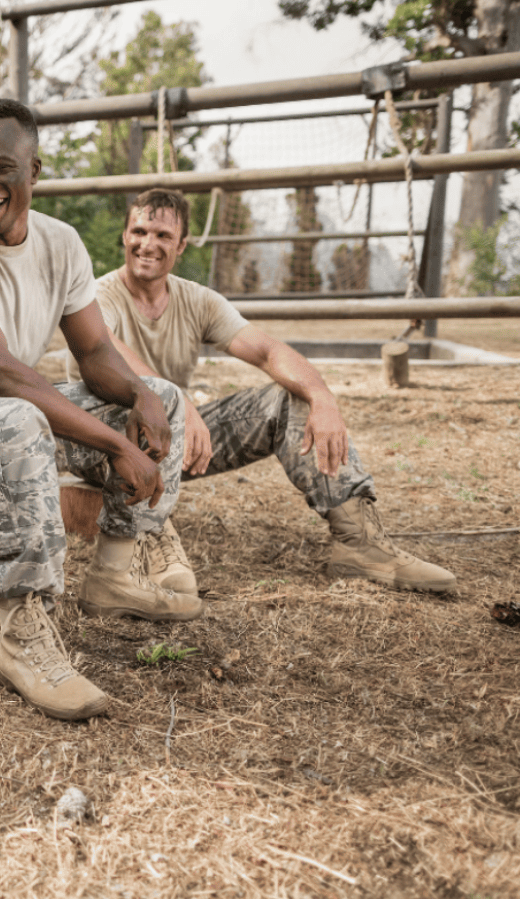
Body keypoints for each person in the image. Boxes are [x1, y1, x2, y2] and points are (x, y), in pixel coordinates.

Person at [0, 99, 202, 723]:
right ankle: (24, 635)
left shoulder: (60, 243)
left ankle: (117, 570)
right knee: (17, 417)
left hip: (11, 420)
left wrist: (141, 396)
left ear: (35, 170)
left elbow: (94, 352)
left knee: (163, 395)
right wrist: (115, 447)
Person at [96, 187, 456, 595]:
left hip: (175, 436)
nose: (148, 244)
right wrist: (177, 402)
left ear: (181, 244)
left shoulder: (196, 300)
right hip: (109, 442)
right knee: (141, 422)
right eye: (139, 231)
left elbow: (268, 352)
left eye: (162, 235)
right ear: (125, 236)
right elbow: (110, 354)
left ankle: (360, 545)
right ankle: (151, 542)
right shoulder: (97, 294)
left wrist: (322, 397)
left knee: (289, 400)